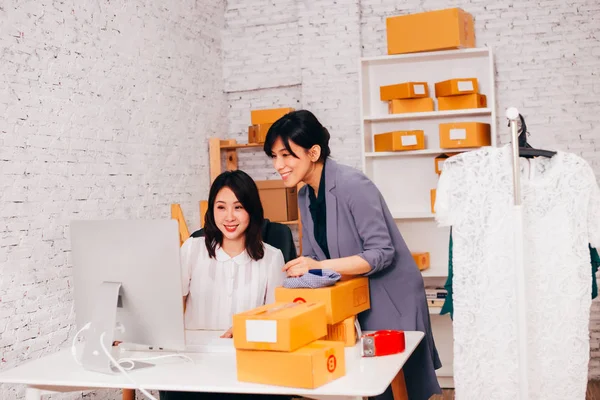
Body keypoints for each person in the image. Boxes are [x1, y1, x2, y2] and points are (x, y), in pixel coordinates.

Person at [263, 110, 442, 400]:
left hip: (390, 296)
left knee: (393, 386)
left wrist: (318, 266)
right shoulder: (304, 195)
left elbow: (382, 253)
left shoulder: (353, 185)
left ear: (313, 152)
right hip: (354, 295)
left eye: (286, 155)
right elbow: (311, 254)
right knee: (363, 384)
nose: (278, 165)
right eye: (274, 157)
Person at [160, 170, 288, 400]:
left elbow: (277, 321)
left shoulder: (272, 257)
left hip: (247, 362)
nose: (229, 217)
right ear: (212, 211)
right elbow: (168, 304)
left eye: (238, 207)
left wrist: (249, 329)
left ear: (252, 210)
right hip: (195, 361)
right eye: (221, 207)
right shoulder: (193, 249)